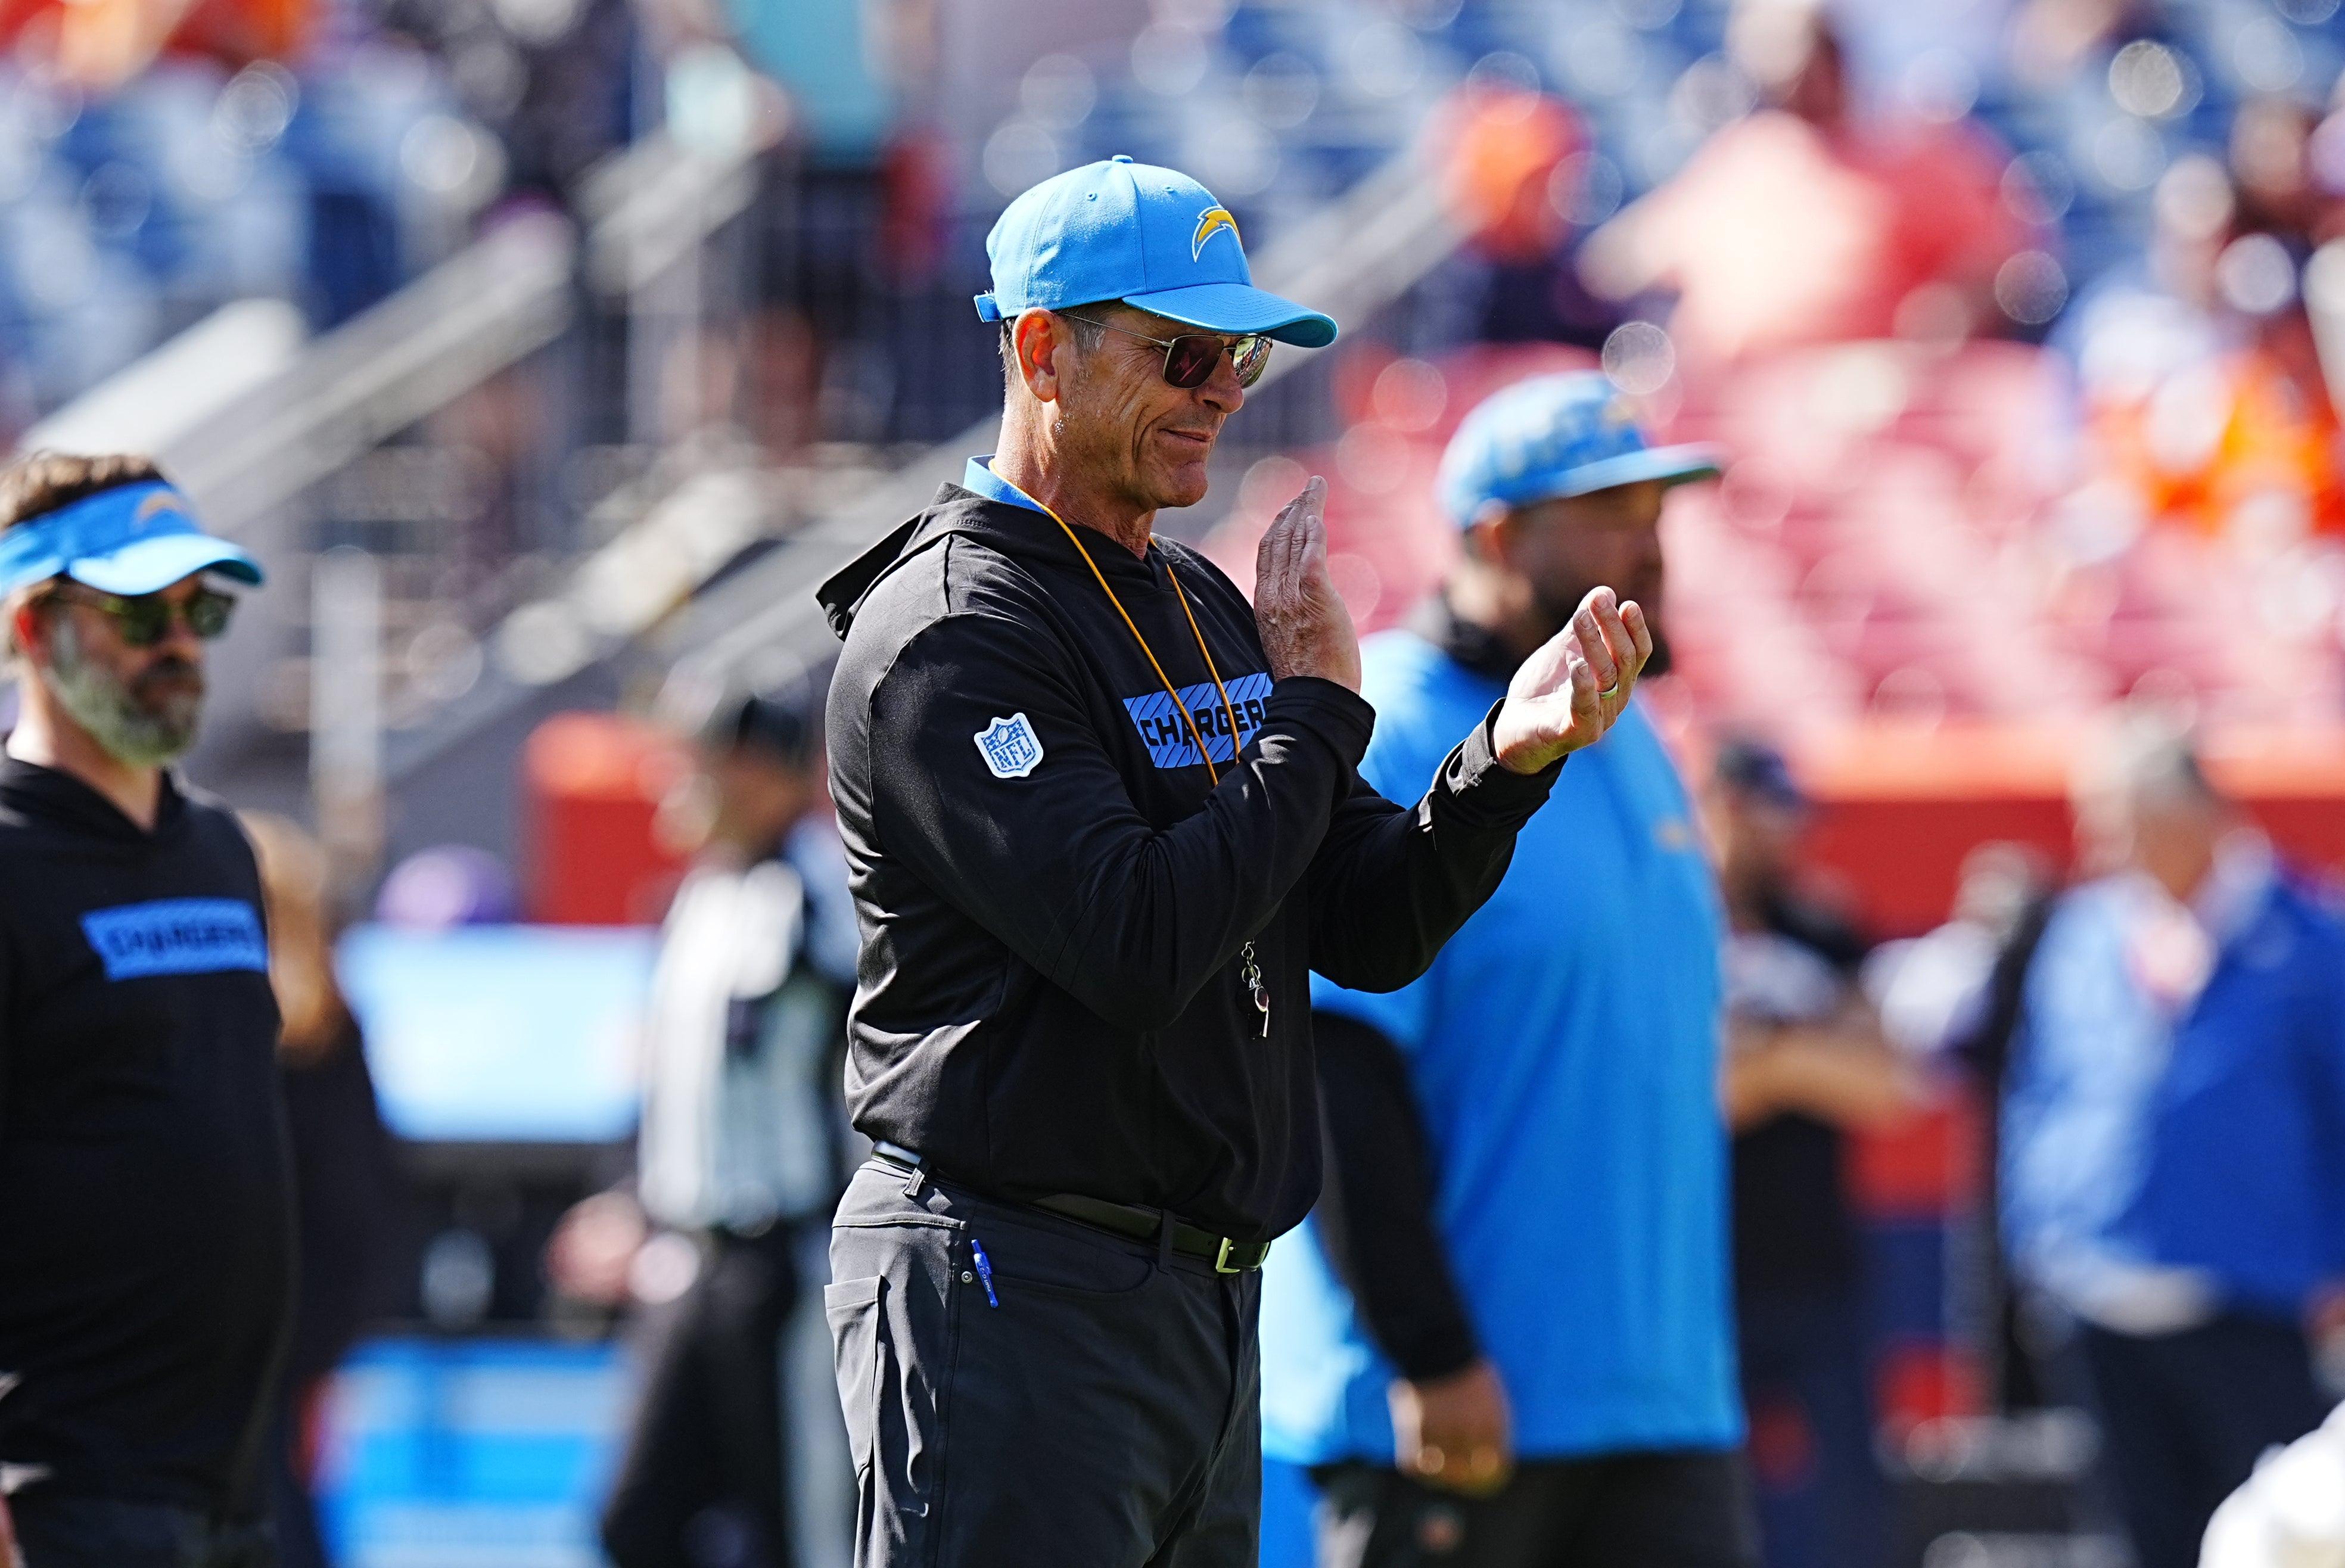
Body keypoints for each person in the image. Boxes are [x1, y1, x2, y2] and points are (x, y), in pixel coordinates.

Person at [815, 158, 1653, 1568]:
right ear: (1041, 352)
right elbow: (1139, 942)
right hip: (1010, 1284)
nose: (1222, 390)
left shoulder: (1193, 595)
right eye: (1182, 353)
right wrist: (1320, 715)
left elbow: (1356, 923)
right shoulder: (951, 630)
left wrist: (1500, 763)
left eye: (1242, 357)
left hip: (1198, 1304)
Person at [1259, 371, 1755, 1568]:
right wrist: (1428, 1349)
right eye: (1610, 513)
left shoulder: (1630, 740)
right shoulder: (1387, 721)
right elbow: (1335, 1069)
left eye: (1657, 513)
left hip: (1659, 1397)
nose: (1649, 547)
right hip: (1459, 1411)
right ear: (1494, 533)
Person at [0, 452, 285, 1567]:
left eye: (200, 606)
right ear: (35, 627)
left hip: (232, 1487)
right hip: (60, 1493)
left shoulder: (219, 847)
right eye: (140, 612)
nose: (181, 642)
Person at [2001, 718, 2345, 1568]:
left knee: (2274, 1539)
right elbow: (2041, 1091)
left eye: (2122, 819)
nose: (2101, 845)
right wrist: (2040, 1237)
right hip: (2096, 1295)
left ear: (2193, 815)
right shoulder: (2085, 934)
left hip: (2249, 1302)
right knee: (2134, 1542)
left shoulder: (2307, 941)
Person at [556, 680, 858, 1568]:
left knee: (798, 1520)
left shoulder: (826, 895)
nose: (674, 775)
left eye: (707, 756)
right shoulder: (695, 899)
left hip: (788, 1259)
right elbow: (669, 1084)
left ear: (768, 773)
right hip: (687, 1257)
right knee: (637, 1519)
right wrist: (628, 1196)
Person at [1706, 739, 1911, 1568]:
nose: (1790, 837)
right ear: (1723, 806)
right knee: (1711, 1507)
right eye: (1772, 814)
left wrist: (1772, 1054)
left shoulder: (1823, 926)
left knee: (1855, 1510)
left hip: (1821, 1269)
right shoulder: (1672, 920)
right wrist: (1810, 1055)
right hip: (1706, 1273)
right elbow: (1697, 1099)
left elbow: (1891, 1086)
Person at [239, 811, 399, 1568]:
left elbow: (350, 1211)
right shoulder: (221, 1031)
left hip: (272, 1347)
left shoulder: (318, 1036)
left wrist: (310, 1354)